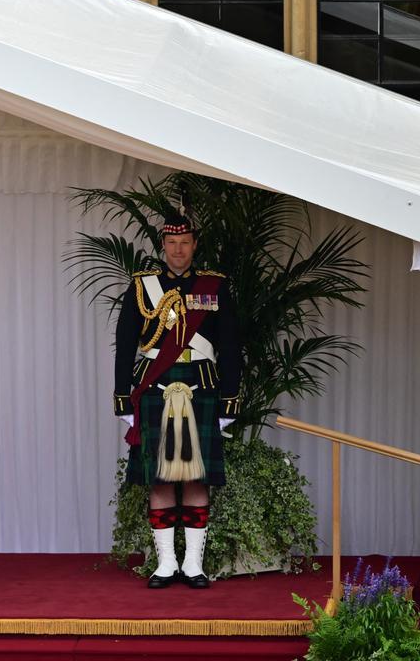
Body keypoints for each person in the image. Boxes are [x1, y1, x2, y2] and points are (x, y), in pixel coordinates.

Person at [112, 213, 241, 589]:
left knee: (198, 477)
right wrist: (123, 398)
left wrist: (229, 401)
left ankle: (193, 565)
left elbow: (231, 347)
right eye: (171, 243)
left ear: (194, 244)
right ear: (162, 246)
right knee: (160, 477)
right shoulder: (142, 286)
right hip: (154, 388)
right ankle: (166, 564)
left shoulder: (214, 286)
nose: (178, 249)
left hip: (202, 387)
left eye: (185, 242)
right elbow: (124, 345)